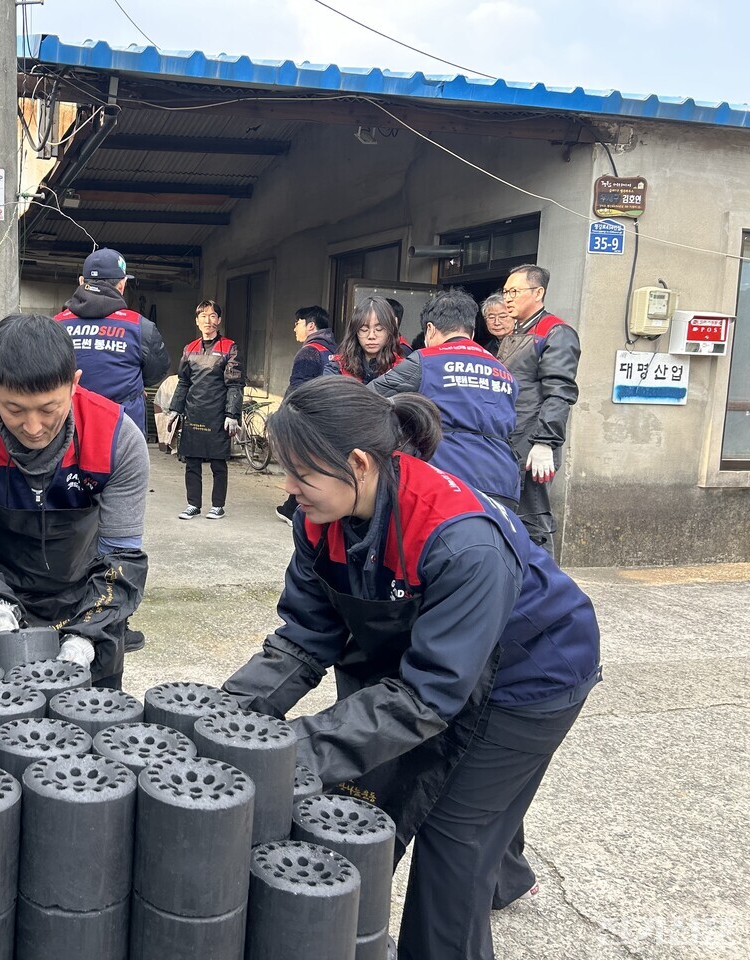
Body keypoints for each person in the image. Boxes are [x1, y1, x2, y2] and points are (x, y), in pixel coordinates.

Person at [222, 377, 601, 960]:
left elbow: (427, 699)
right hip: (432, 662)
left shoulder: (460, 541)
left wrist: (290, 751)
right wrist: (223, 719)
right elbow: (304, 637)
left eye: (301, 474)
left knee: (453, 841)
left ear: (357, 463)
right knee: (383, 790)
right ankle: (507, 868)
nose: (288, 487)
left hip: (532, 671)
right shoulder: (320, 519)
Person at [0, 314, 150, 688]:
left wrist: (89, 633)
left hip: (89, 590)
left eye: (49, 409)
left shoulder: (117, 439)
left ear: (74, 385)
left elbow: (121, 558)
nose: (33, 427)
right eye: (14, 409)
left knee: (93, 719)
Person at [370, 289, 521, 508]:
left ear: (429, 330)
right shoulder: (503, 371)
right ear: (471, 331)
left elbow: (368, 397)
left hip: (446, 481)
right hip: (503, 483)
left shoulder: (426, 361)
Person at [502, 264, 581, 555]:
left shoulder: (556, 331)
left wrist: (545, 442)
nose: (507, 298)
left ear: (538, 293)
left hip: (532, 442)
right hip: (512, 436)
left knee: (533, 516)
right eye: (505, 292)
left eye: (514, 291)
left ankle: (548, 587)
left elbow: (560, 391)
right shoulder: (517, 331)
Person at [55, 248, 171, 435]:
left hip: (68, 432)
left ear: (82, 281)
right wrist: (132, 379)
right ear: (122, 284)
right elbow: (158, 370)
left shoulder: (55, 325)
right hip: (123, 435)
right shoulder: (140, 326)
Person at [167, 300, 245, 520]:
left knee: (218, 463)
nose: (207, 321)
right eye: (203, 316)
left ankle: (217, 505)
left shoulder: (229, 347)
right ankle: (193, 504)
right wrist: (175, 409)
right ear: (197, 321)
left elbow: (235, 383)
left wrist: (232, 414)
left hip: (218, 414)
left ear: (218, 321)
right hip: (193, 412)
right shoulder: (189, 348)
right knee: (192, 461)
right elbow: (183, 382)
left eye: (212, 316)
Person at [276, 305, 336, 523]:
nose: (294, 328)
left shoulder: (309, 351)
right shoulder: (333, 350)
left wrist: (283, 419)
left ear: (310, 325)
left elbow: (297, 390)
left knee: (302, 464)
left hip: (309, 419)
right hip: (329, 417)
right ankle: (292, 507)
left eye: (297, 323)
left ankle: (294, 510)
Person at [326, 296, 404, 384]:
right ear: (355, 332)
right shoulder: (336, 367)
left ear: (390, 331)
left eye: (379, 329)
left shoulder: (403, 370)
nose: (371, 336)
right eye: (364, 329)